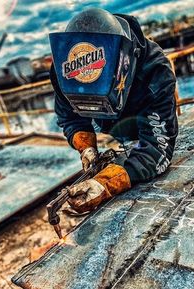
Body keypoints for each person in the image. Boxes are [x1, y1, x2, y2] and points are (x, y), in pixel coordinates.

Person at [49, 8, 178, 213]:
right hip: (115, 127)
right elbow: (70, 118)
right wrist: (86, 148)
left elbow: (157, 147)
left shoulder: (155, 71)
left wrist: (106, 184)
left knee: (147, 151)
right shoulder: (63, 72)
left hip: (146, 119)